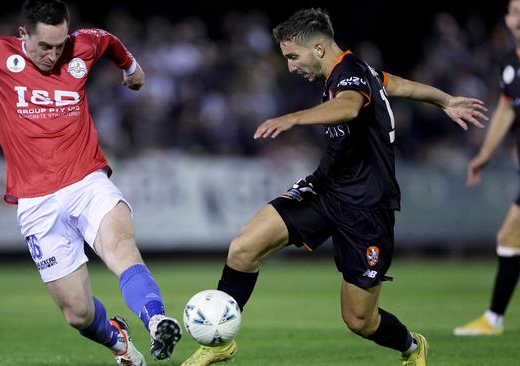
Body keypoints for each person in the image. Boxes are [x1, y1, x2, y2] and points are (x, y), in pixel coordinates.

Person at [181, 7, 487, 366]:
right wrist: (445, 100)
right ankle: (219, 345)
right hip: (326, 188)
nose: (291, 66)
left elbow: (349, 108)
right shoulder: (361, 72)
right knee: (243, 249)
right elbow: (398, 84)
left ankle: (411, 346)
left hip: (367, 206)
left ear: (320, 50)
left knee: (360, 320)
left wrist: (293, 118)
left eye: (294, 56)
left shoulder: (349, 76)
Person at [0, 1, 181, 365]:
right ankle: (118, 340)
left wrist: (132, 69)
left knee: (120, 246)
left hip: (87, 180)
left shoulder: (80, 46)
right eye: (45, 46)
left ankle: (156, 321)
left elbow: (106, 40)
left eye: (60, 45)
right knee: (78, 314)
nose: (54, 55)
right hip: (36, 200)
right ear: (23, 34)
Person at [454, 0, 520, 337]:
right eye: (513, 11)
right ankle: (493, 319)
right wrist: (485, 153)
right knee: (510, 235)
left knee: (509, 234)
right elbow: (508, 108)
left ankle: (494, 318)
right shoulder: (511, 63)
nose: (518, 17)